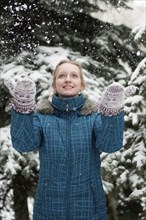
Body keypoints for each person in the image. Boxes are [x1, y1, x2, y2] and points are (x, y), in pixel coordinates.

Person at [4, 60, 137, 220]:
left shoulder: (93, 118)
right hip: (48, 209)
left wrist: (111, 114)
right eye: (62, 76)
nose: (68, 79)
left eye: (74, 75)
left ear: (82, 84)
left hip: (89, 208)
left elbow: (110, 145)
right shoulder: (42, 118)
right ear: (54, 84)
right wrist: (23, 110)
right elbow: (24, 144)